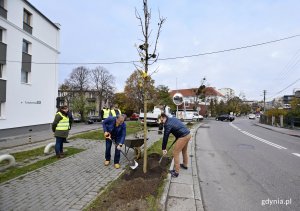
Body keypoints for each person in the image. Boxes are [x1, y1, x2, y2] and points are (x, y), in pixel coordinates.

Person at [159, 113, 191, 177]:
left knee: (175, 152)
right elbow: (178, 127)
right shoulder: (172, 118)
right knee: (184, 151)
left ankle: (176, 172)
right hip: (188, 134)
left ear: (164, 117)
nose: (162, 123)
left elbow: (166, 137)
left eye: (162, 121)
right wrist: (177, 136)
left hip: (183, 136)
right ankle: (185, 165)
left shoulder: (167, 124)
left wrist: (163, 148)